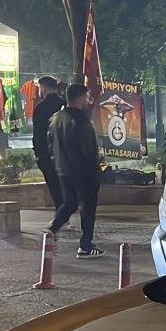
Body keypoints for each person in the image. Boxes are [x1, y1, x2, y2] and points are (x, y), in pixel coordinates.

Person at [48, 84, 104, 258]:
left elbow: (50, 145)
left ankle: (51, 230)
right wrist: (97, 168)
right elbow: (89, 150)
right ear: (80, 97)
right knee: (88, 208)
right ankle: (85, 246)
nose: (88, 100)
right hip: (83, 171)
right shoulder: (81, 120)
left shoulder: (56, 118)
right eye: (86, 97)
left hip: (63, 169)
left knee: (70, 203)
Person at [31, 75, 66, 209]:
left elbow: (38, 134)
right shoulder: (63, 104)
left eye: (39, 88)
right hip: (65, 153)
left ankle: (61, 211)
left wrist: (39, 154)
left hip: (47, 154)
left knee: (54, 186)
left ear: (43, 88)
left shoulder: (41, 107)